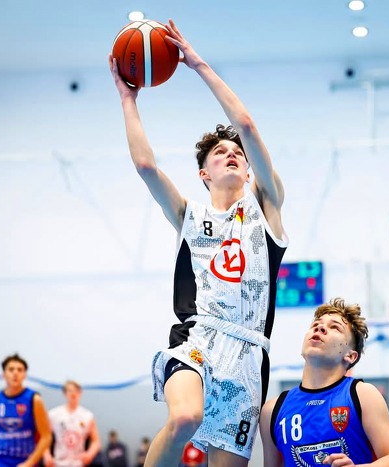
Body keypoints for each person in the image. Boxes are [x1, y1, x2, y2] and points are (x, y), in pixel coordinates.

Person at [109, 18, 287, 467]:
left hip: (249, 356)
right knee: (185, 417)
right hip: (198, 337)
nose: (232, 154)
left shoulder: (266, 206)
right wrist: (128, 100)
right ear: (204, 173)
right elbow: (146, 167)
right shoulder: (190, 215)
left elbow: (246, 124)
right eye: (220, 153)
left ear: (249, 169)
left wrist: (200, 65)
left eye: (238, 153)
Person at [259, 298, 389, 467]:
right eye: (316, 324)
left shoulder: (363, 395)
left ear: (350, 356)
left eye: (335, 327)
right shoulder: (271, 411)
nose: (319, 328)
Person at [0, 354, 52, 467]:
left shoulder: (34, 399)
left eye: (20, 370)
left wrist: (30, 463)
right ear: (3, 374)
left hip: (24, 458)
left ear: (25, 375)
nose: (15, 373)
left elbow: (46, 436)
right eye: (11, 369)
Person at [43, 380, 100, 467]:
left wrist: (90, 454)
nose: (73, 394)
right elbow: (44, 437)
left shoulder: (87, 416)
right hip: (59, 462)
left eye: (75, 391)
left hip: (78, 462)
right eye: (70, 391)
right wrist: (46, 455)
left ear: (80, 393)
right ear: (65, 393)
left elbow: (96, 441)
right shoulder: (54, 414)